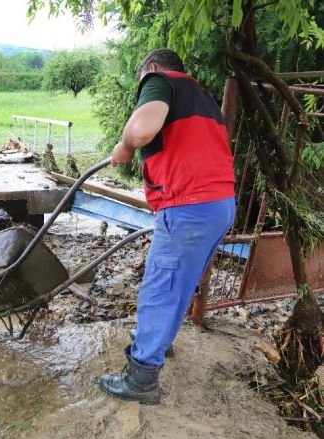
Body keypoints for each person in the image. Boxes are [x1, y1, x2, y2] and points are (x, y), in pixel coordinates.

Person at [99, 49, 237, 405]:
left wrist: (126, 144)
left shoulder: (160, 81)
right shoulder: (202, 96)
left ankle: (141, 378)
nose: (143, 85)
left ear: (154, 69)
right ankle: (158, 342)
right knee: (179, 283)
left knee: (160, 287)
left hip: (190, 207)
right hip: (220, 205)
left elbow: (144, 130)